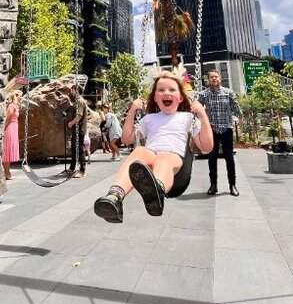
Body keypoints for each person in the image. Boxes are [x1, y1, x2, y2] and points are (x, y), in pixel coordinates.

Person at [93, 71, 213, 223]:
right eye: (161, 90)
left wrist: (202, 115)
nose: (166, 93)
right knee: (140, 151)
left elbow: (207, 147)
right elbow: (127, 139)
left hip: (176, 169)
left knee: (163, 157)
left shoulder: (188, 117)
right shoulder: (148, 119)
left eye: (172, 90)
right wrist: (132, 111)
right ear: (155, 98)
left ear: (181, 97)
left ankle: (157, 190)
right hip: (151, 160)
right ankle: (114, 197)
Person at [196, 68, 242, 196]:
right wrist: (203, 121)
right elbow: (197, 109)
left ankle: (232, 185)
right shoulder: (204, 94)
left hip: (226, 128)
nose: (214, 79)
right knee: (212, 158)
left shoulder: (228, 93)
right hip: (212, 130)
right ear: (208, 79)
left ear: (220, 78)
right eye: (211, 77)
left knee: (229, 158)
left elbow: (236, 107)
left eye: (216, 76)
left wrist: (240, 118)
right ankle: (213, 185)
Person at [65, 83, 87, 178]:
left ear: (76, 91)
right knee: (74, 149)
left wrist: (71, 123)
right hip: (76, 130)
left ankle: (82, 170)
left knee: (80, 149)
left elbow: (79, 115)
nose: (71, 91)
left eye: (72, 89)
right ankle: (72, 167)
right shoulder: (76, 101)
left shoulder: (80, 101)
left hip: (80, 129)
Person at [2, 90, 22, 180]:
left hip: (13, 127)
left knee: (9, 149)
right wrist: (4, 129)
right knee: (7, 149)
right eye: (20, 96)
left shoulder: (15, 106)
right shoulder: (12, 106)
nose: (21, 98)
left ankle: (6, 170)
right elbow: (8, 118)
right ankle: (6, 171)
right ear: (16, 96)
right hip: (10, 128)